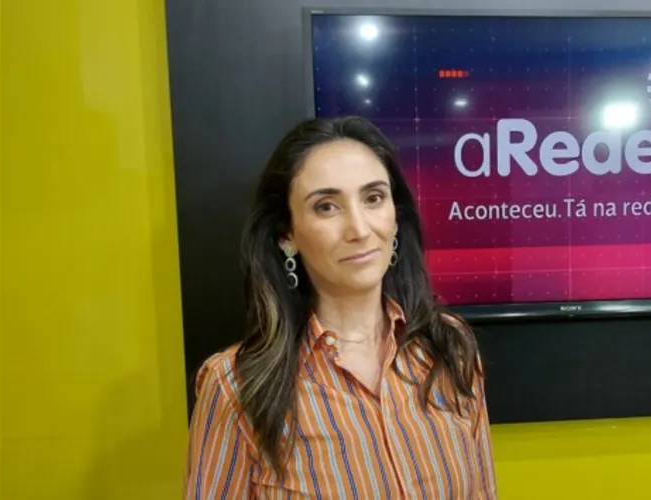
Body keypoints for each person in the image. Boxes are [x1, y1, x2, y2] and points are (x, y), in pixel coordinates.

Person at [184, 116, 497, 499]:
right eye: (327, 207)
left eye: (373, 198)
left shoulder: (450, 346)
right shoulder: (235, 387)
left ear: (395, 215)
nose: (360, 230)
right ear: (287, 235)